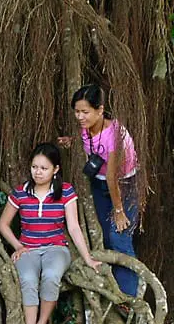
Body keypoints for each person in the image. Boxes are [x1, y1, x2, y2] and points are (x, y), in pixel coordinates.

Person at [0, 143, 102, 324]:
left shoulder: (66, 192)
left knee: (51, 276)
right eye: (34, 167)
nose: (38, 172)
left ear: (55, 170)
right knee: (27, 279)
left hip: (57, 248)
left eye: (44, 168)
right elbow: (3, 224)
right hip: (28, 249)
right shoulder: (21, 193)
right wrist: (18, 246)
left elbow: (73, 227)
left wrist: (87, 258)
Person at [58, 85, 140, 295]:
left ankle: (128, 296)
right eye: (77, 111)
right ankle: (112, 285)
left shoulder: (115, 134)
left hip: (125, 185)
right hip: (99, 183)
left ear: (100, 110)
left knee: (119, 237)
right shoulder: (87, 126)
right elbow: (89, 140)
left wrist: (119, 210)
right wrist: (72, 140)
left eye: (85, 112)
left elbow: (113, 176)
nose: (80, 117)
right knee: (104, 236)